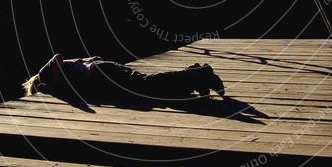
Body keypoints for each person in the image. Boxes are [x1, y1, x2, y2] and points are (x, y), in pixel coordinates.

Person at [23, 53, 225, 102]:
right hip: (102, 71)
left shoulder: (44, 76)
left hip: (99, 73)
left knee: (146, 85)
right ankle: (193, 76)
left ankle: (198, 74)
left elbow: (57, 57)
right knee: (147, 89)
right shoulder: (63, 77)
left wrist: (50, 83)